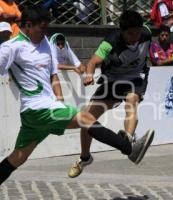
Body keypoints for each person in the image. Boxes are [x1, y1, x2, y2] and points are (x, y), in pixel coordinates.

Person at [0, 6, 154, 185]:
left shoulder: (45, 43)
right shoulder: (11, 47)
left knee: (18, 157)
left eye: (46, 28)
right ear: (27, 25)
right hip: (36, 109)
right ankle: (129, 149)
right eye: (41, 28)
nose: (45, 32)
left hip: (43, 110)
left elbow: (53, 74)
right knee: (87, 118)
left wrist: (58, 99)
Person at [67, 10, 155, 178]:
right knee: (87, 117)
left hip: (136, 78)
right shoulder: (110, 41)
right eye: (130, 34)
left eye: (137, 32)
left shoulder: (147, 33)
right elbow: (93, 61)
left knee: (132, 100)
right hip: (112, 81)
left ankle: (128, 140)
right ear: (121, 31)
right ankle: (85, 157)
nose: (135, 37)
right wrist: (89, 75)